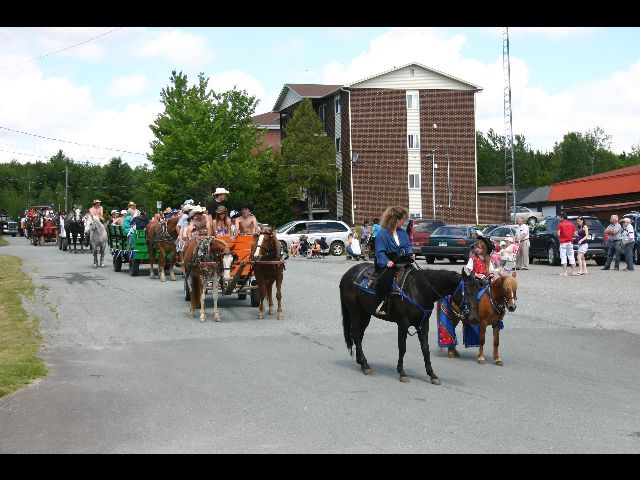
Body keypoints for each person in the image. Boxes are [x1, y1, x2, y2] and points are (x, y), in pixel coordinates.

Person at [373, 206, 414, 316]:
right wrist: (386, 262)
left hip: (401, 260)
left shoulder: (402, 233)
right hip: (387, 262)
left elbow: (407, 245)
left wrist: (411, 254)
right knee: (386, 279)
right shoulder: (382, 234)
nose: (404, 222)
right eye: (403, 219)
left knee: (415, 275)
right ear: (396, 220)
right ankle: (382, 303)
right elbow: (379, 252)